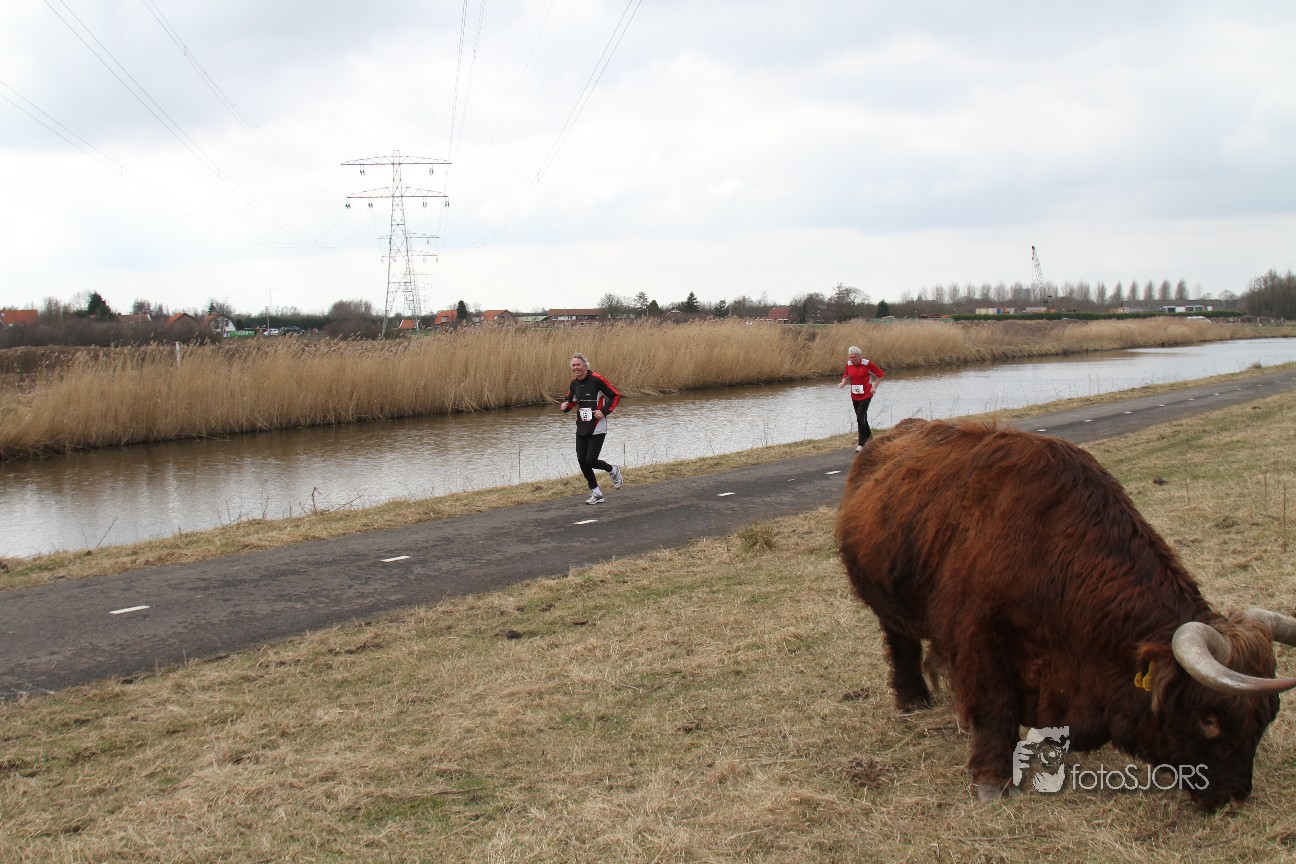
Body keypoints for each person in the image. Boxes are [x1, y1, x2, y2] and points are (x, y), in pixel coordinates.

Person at [560, 352, 624, 504]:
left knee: (591, 460)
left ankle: (613, 470)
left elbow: (615, 395)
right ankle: (596, 493)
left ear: (585, 365)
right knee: (582, 461)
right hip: (582, 425)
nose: (575, 368)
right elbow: (570, 400)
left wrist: (604, 411)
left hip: (597, 426)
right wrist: (565, 406)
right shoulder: (574, 383)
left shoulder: (596, 379)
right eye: (573, 365)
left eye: (578, 365)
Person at [839, 346, 885, 452]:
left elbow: (880, 375)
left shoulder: (867, 364)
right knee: (862, 417)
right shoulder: (848, 364)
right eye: (850, 357)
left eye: (854, 357)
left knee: (860, 417)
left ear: (859, 356)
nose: (852, 359)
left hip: (866, 394)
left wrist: (874, 387)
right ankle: (869, 436)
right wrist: (843, 382)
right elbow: (846, 375)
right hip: (855, 394)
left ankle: (861, 443)